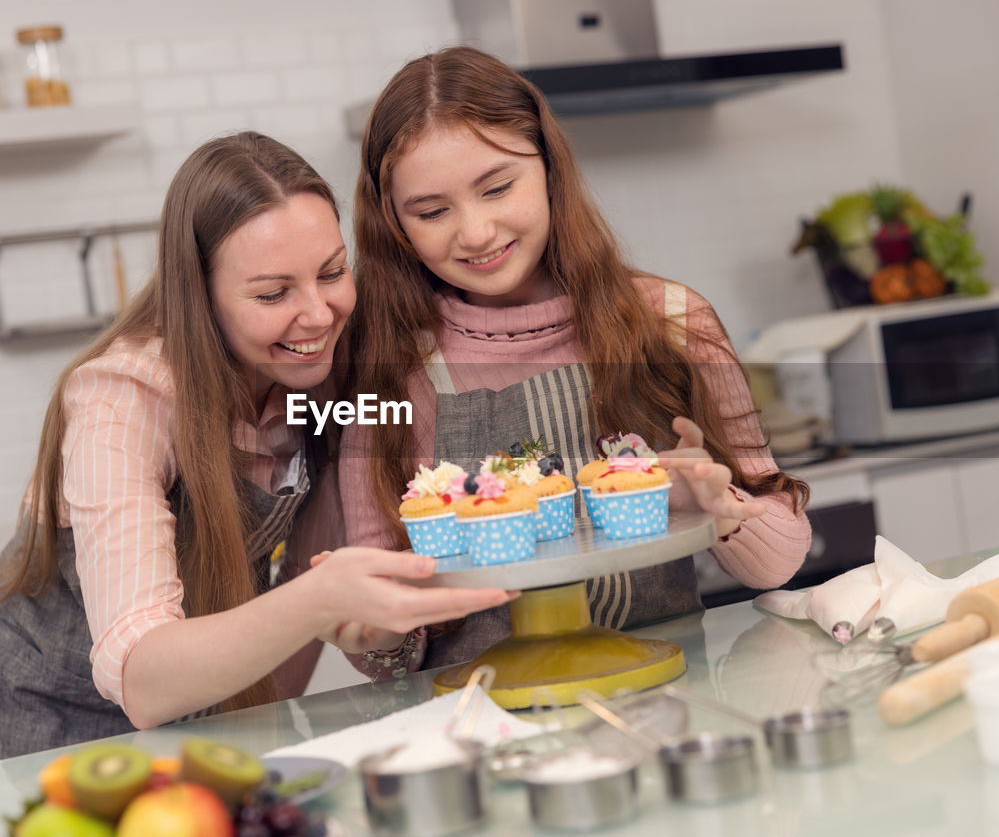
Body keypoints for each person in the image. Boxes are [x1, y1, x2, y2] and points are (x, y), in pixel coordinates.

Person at [0, 132, 515, 764]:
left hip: (211, 700)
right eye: (272, 294)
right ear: (202, 299)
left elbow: (307, 577)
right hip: (57, 718)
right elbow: (143, 679)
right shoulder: (122, 401)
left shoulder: (331, 370)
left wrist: (266, 741)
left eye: (332, 272)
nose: (317, 316)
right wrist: (319, 600)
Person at [338, 47, 812, 673]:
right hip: (490, 728)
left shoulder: (672, 321)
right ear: (394, 223)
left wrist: (721, 512)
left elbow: (780, 563)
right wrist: (369, 632)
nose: (475, 232)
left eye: (499, 187)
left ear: (550, 169)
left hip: (669, 706)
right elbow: (384, 650)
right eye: (431, 212)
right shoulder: (386, 370)